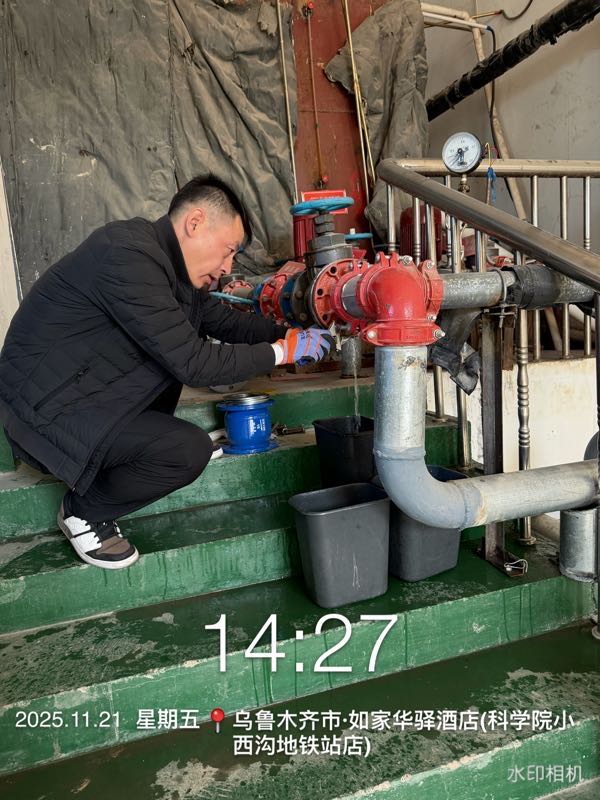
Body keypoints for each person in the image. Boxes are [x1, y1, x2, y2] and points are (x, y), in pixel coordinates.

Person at [0, 176, 332, 569]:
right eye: (228, 250)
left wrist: (288, 333)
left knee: (181, 436)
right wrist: (282, 352)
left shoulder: (171, 270)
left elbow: (226, 322)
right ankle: (83, 511)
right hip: (43, 412)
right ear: (195, 223)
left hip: (84, 397)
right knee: (185, 451)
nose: (227, 267)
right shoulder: (127, 255)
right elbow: (194, 362)